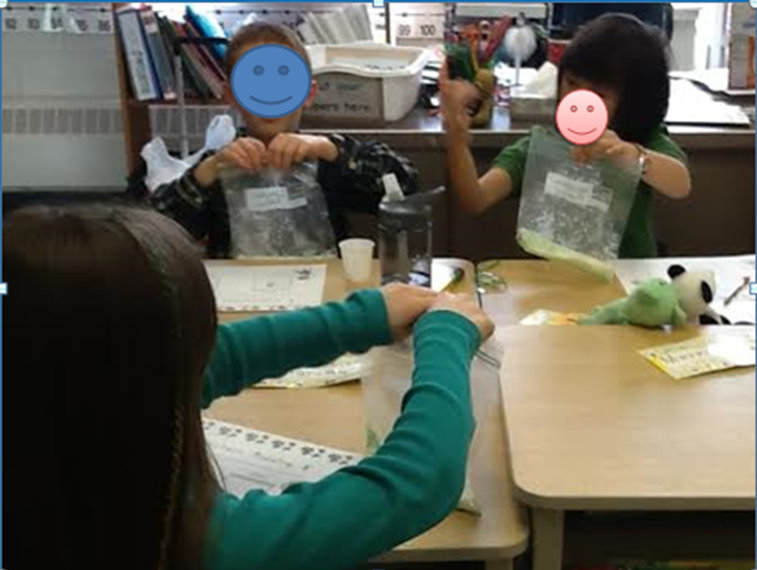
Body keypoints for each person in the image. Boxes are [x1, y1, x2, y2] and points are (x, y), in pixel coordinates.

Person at [5, 204, 494, 570]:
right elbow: (419, 482)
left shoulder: (42, 424)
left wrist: (363, 317)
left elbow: (206, 363)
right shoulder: (202, 547)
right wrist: (446, 337)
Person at [127, 22, 419, 259]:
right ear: (231, 94)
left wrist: (331, 149)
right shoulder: (219, 167)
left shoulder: (325, 160)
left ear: (308, 93)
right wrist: (207, 171)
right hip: (241, 302)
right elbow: (151, 235)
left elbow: (404, 187)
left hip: (323, 296)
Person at [443, 13, 691, 258]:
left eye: (599, 94)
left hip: (628, 276)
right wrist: (456, 140)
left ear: (632, 102)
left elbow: (680, 184)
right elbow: (475, 199)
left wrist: (634, 157)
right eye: (571, 83)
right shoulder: (540, 147)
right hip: (553, 277)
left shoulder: (642, 141)